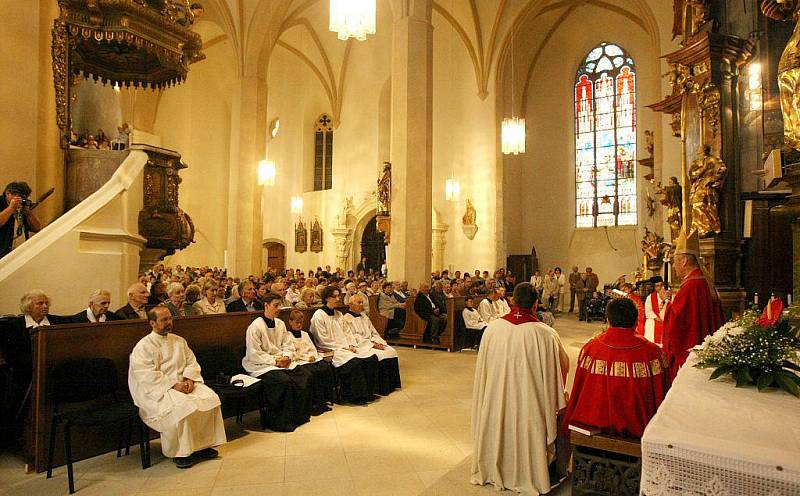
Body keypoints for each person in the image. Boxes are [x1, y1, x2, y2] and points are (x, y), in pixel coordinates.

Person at [471, 283, 570, 494]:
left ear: (512, 301)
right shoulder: (545, 334)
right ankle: (530, 472)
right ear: (536, 304)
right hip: (530, 402)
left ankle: (493, 468)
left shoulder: (493, 329)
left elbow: (484, 370)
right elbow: (562, 367)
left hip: (496, 398)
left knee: (498, 422)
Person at [128, 306, 226, 469]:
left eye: (170, 319)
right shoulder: (143, 346)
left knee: (210, 397)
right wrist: (174, 385)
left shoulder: (179, 340)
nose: (169, 323)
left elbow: (191, 362)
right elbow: (146, 375)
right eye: (164, 320)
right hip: (159, 390)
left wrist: (189, 379)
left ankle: (202, 447)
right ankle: (182, 453)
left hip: (184, 384)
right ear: (152, 323)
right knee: (183, 406)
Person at [564, 298, 670, 438]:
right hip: (640, 434)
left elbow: (578, 390)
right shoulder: (653, 353)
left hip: (592, 431)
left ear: (608, 320)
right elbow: (664, 397)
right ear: (636, 320)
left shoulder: (591, 349)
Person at [241, 293, 313, 431]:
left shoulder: (280, 324)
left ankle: (299, 417)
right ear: (266, 305)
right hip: (261, 365)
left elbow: (288, 344)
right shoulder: (255, 327)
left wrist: (287, 357)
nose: (279, 308)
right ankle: (280, 422)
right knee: (283, 381)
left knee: (305, 375)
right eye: (275, 305)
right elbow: (254, 353)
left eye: (280, 305)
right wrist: (275, 361)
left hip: (282, 361)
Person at [662, 232, 723, 379]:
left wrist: (667, 302)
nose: (674, 268)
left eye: (674, 262)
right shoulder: (704, 281)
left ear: (683, 261)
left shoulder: (691, 286)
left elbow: (676, 323)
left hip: (691, 353)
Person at [310, 286, 379, 404]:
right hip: (332, 349)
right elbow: (322, 339)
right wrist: (344, 347)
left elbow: (347, 332)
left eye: (339, 296)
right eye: (335, 296)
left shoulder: (339, 314)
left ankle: (367, 393)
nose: (338, 299)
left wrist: (351, 345)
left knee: (371, 358)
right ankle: (353, 396)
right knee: (355, 362)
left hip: (346, 347)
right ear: (327, 298)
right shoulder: (319, 315)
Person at [341, 294, 401, 395]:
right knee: (379, 355)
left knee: (390, 351)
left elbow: (373, 332)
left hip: (371, 342)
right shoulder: (347, 319)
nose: (362, 305)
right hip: (361, 345)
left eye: (362, 302)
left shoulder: (364, 316)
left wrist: (377, 342)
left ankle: (391, 386)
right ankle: (380, 388)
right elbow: (353, 336)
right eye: (359, 303)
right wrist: (372, 344)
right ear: (350, 304)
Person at [286, 310, 335, 414]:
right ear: (290, 322)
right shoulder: (287, 336)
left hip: (311, 359)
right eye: (296, 322)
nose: (299, 325)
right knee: (312, 373)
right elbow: (291, 352)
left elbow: (312, 348)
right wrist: (306, 358)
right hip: (300, 361)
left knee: (325, 368)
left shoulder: (305, 334)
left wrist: (312, 356)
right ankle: (314, 404)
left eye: (301, 323)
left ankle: (323, 401)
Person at [0, 181, 43, 258]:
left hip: (20, 252)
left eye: (24, 197)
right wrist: (11, 208)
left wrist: (28, 212)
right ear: (8, 194)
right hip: (3, 253)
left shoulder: (22, 206)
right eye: (18, 196)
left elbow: (37, 228)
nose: (20, 200)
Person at [644, 277, 670, 346]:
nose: (660, 287)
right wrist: (656, 317)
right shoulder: (650, 297)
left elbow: (671, 306)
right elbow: (648, 311)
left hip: (666, 321)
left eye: (661, 285)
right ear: (654, 287)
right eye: (657, 286)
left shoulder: (669, 295)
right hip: (653, 322)